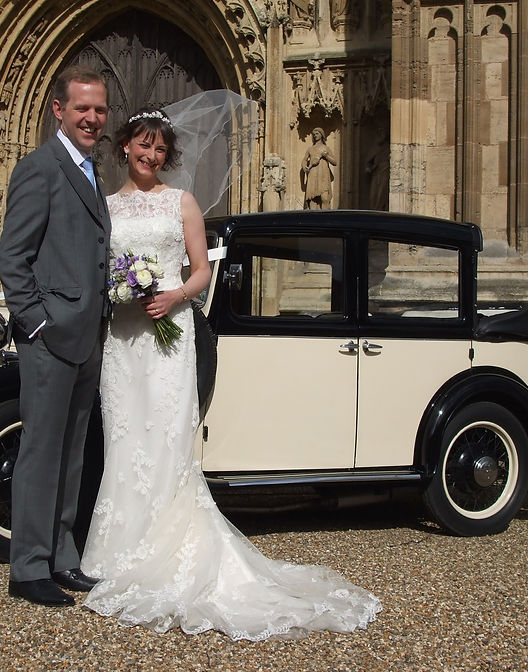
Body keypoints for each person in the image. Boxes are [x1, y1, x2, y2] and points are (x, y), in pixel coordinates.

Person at [80, 105, 381, 640]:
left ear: (167, 157)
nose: (150, 155)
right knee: (126, 444)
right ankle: (118, 554)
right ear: (125, 145)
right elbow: (98, 268)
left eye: (160, 149)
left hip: (169, 339)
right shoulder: (105, 207)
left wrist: (170, 294)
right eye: (142, 145)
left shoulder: (182, 203)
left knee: (167, 444)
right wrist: (117, 290)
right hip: (123, 343)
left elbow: (200, 272)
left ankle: (171, 554)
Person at [0, 66, 111, 607]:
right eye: (82, 108)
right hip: (50, 338)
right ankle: (28, 567)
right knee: (40, 453)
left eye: (100, 109)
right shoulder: (39, 168)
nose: (92, 118)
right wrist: (36, 322)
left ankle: (62, 557)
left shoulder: (92, 172)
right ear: (57, 110)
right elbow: (12, 258)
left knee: (71, 453)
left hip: (87, 338)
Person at [301, 127, 336, 209]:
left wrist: (326, 156)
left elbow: (335, 162)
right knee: (312, 199)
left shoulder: (326, 148)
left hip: (323, 174)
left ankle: (326, 217)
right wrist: (304, 166)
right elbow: (304, 160)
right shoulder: (310, 149)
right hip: (313, 173)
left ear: (321, 135)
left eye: (317, 133)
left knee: (324, 198)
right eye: (314, 134)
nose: (315, 135)